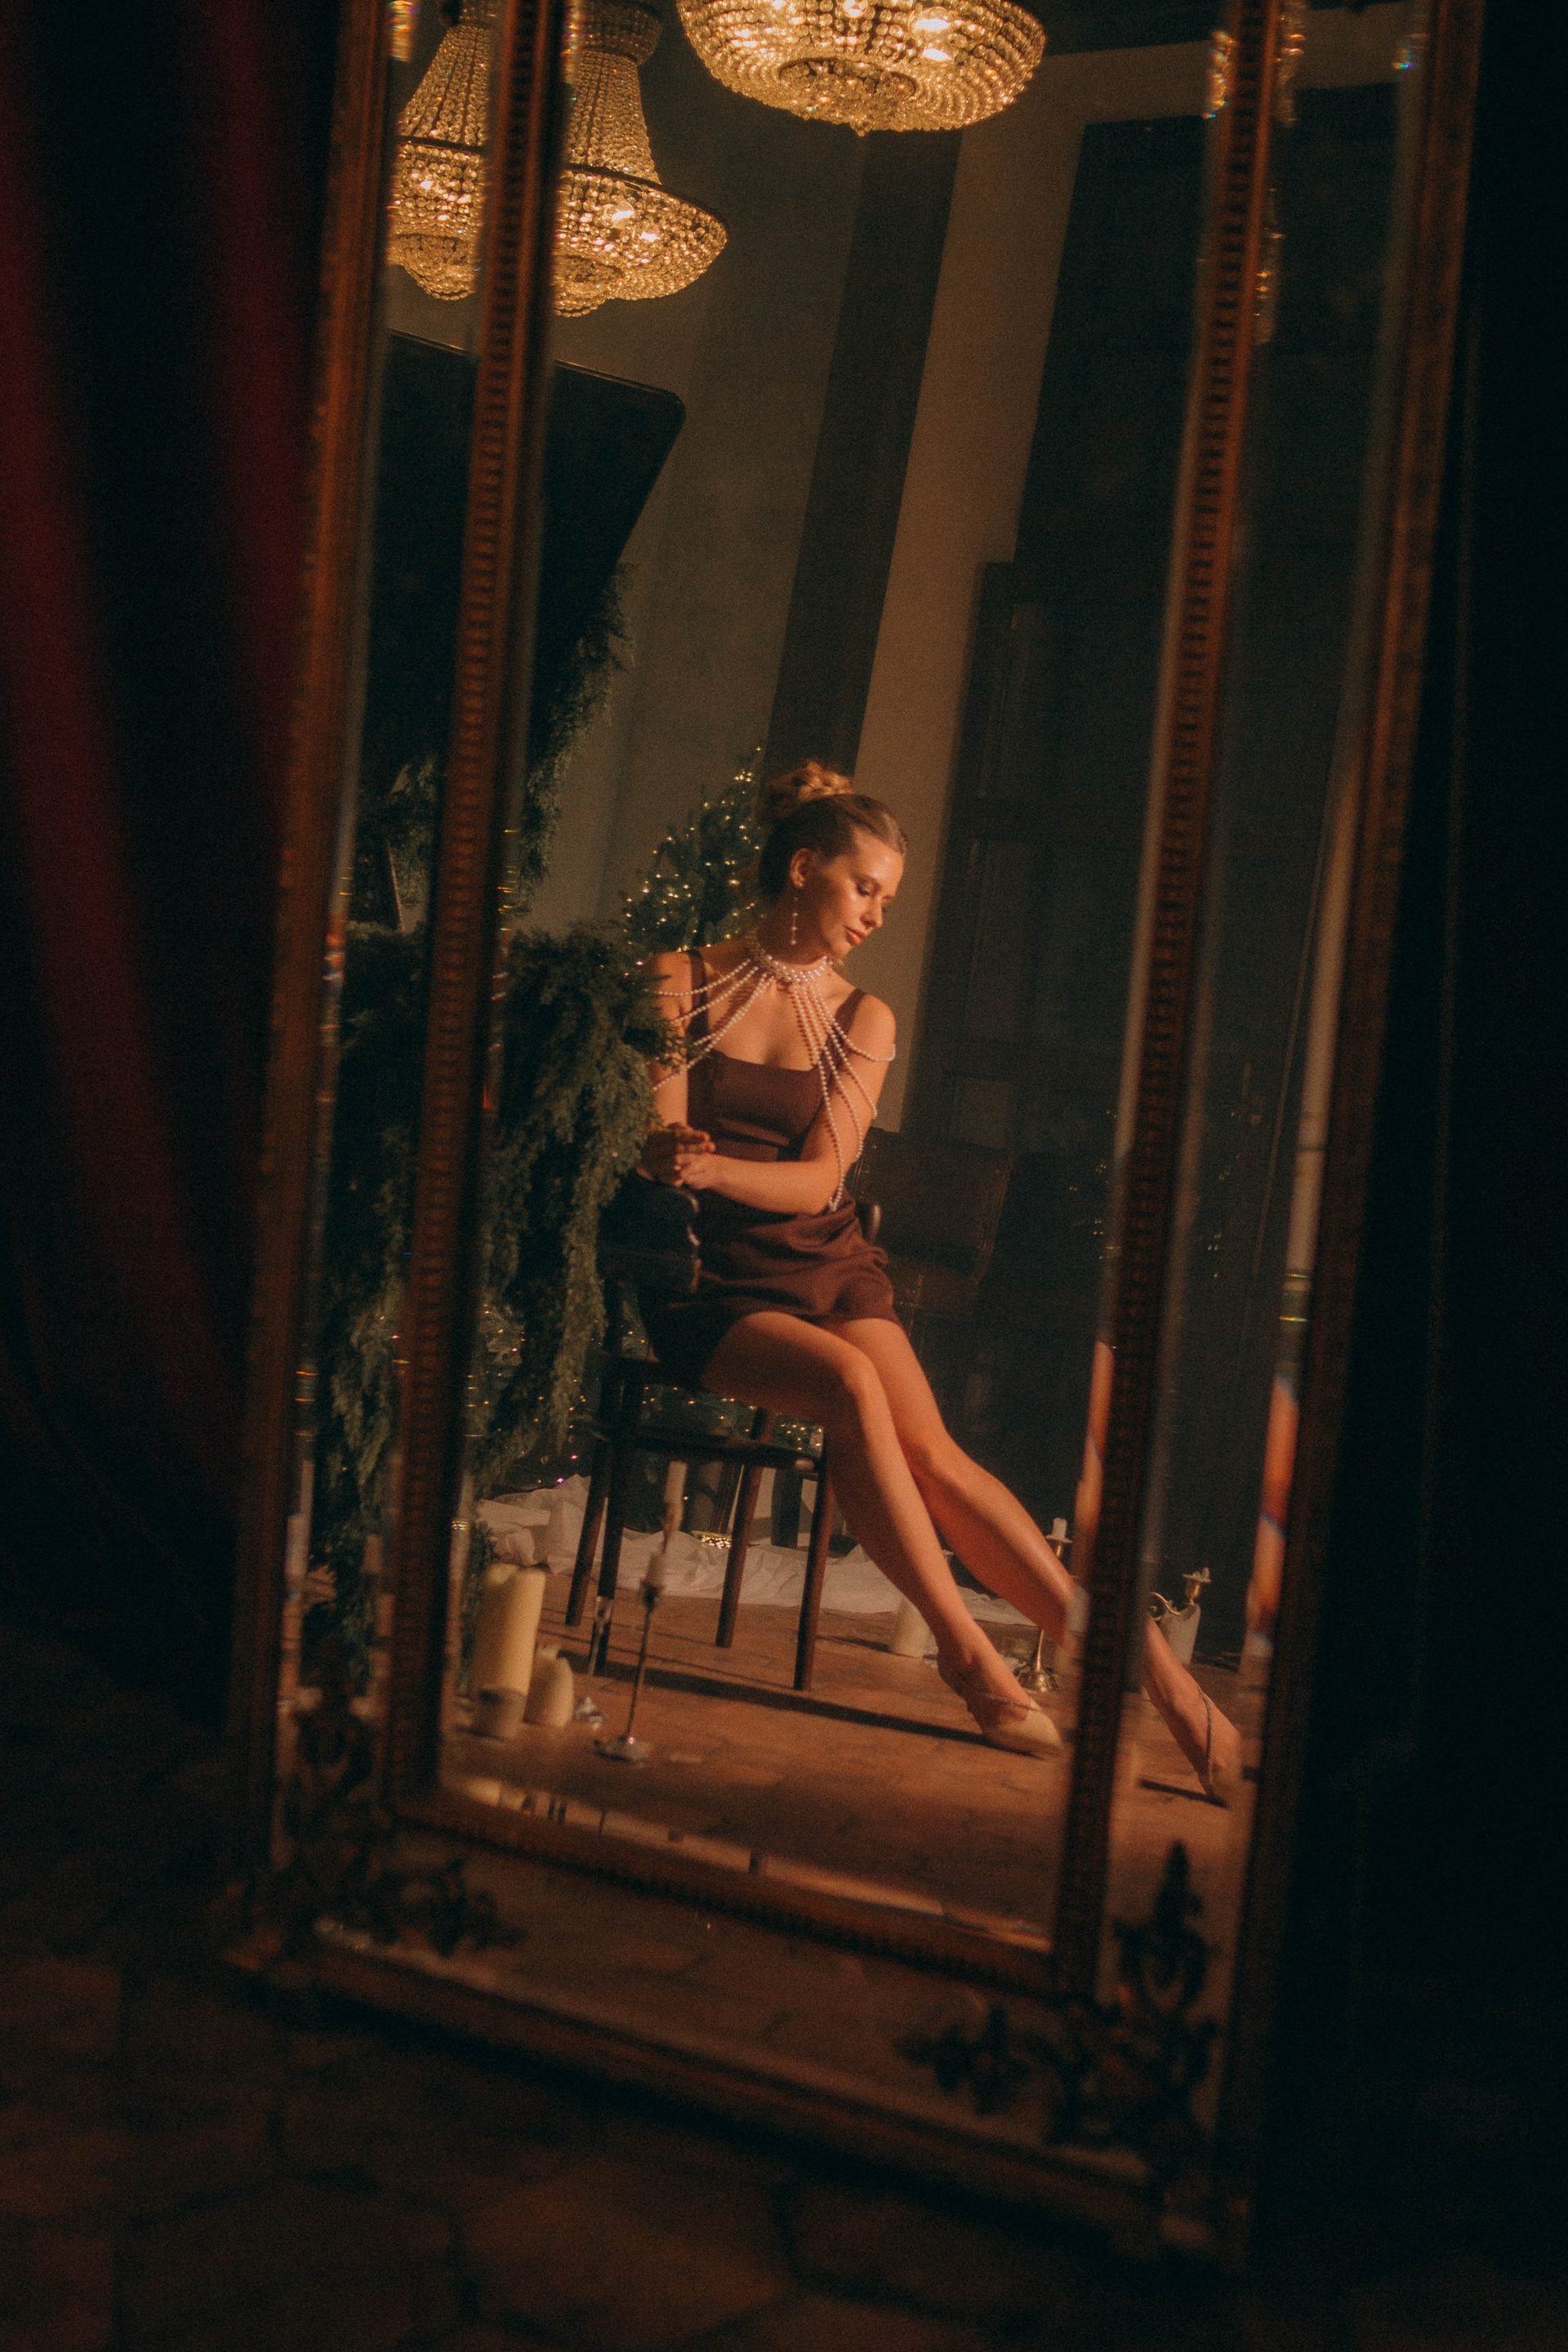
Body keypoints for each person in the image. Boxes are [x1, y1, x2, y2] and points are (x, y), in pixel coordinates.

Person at [636, 763, 1241, 1797]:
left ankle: (1173, 1692)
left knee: (939, 1460)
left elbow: (819, 1180)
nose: (877, 914)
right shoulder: (676, 980)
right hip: (709, 1278)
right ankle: (972, 1661)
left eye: (889, 898)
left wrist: (710, 1165)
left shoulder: (864, 1018)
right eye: (865, 887)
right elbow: (662, 1139)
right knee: (850, 1386)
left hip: (824, 1260)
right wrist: (673, 1158)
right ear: (803, 867)